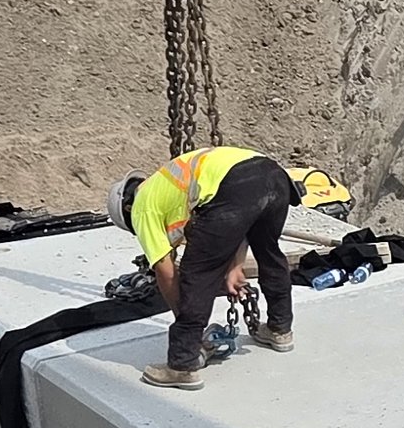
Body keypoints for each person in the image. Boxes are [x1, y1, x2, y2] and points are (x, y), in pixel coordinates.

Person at [115, 146, 298, 392]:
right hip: (274, 176)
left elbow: (166, 271)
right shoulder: (165, 183)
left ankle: (182, 365)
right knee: (269, 253)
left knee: (197, 273)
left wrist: (186, 319)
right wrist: (235, 268)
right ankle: (280, 328)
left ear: (126, 210)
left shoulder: (141, 207)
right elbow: (244, 218)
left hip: (234, 186)